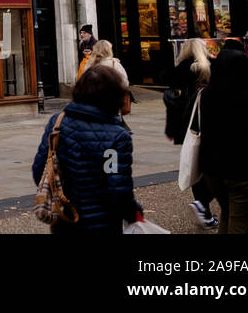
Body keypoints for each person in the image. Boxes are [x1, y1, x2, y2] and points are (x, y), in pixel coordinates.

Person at [31, 63, 141, 233]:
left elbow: (40, 169)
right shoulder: (116, 136)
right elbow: (117, 187)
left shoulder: (57, 123)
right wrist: (133, 212)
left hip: (65, 218)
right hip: (103, 222)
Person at [198, 46, 248, 235]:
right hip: (242, 168)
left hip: (212, 169)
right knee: (240, 220)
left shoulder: (207, 96)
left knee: (227, 212)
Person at [165, 37, 216, 228]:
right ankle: (204, 205)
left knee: (195, 163)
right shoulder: (210, 65)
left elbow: (171, 100)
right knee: (211, 165)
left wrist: (171, 128)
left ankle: (203, 206)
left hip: (188, 122)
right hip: (210, 120)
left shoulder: (181, 68)